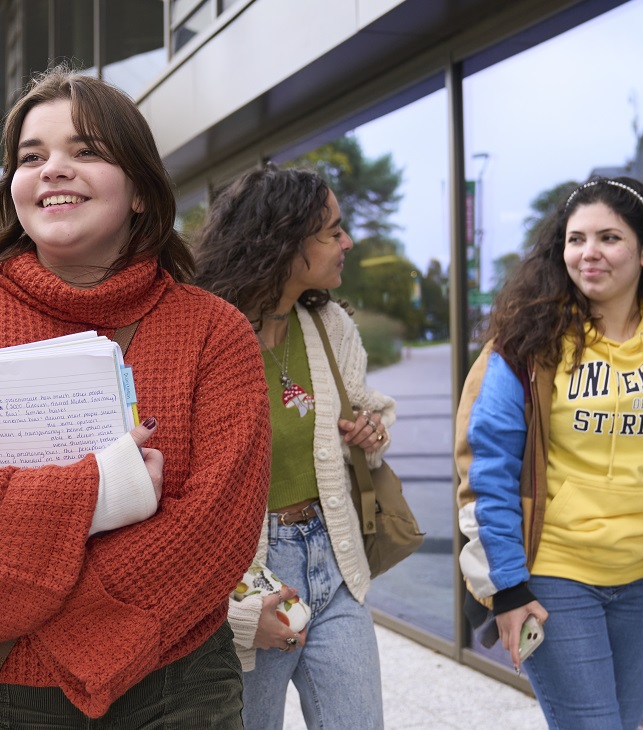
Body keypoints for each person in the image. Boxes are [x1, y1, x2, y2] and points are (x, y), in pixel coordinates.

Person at [0, 66, 270, 727]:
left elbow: (218, 532)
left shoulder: (214, 332)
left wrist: (18, 582)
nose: (53, 169)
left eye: (87, 151)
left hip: (173, 689)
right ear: (13, 188)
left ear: (139, 190)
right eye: (31, 156)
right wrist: (103, 491)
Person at [455, 176, 643, 729]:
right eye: (576, 239)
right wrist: (508, 589)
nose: (588, 252)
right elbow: (487, 470)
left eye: (609, 238)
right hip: (554, 576)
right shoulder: (526, 343)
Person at [194, 165, 392, 730]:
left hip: (335, 560)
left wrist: (370, 435)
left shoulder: (330, 325)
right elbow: (186, 493)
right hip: (251, 572)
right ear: (282, 241)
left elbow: (365, 413)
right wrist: (238, 605)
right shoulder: (206, 337)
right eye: (332, 231)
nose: (347, 242)